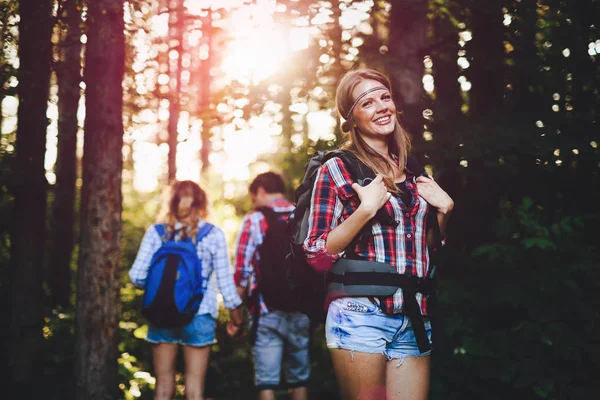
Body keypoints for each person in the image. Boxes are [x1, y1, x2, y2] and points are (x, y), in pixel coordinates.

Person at [303, 68, 454, 400]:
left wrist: (444, 213)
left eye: (385, 97)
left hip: (414, 314)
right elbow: (315, 252)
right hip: (360, 314)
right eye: (367, 102)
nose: (381, 107)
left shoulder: (413, 170)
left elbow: (428, 252)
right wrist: (365, 210)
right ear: (352, 119)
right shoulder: (337, 168)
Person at [129, 180, 244, 400]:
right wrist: (237, 320)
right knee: (194, 389)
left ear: (171, 202)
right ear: (201, 203)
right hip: (200, 315)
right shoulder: (213, 235)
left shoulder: (156, 233)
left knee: (163, 387)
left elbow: (136, 276)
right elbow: (227, 288)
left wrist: (162, 288)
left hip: (161, 313)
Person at [231, 172, 311, 400]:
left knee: (267, 381)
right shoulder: (303, 214)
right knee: (300, 378)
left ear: (260, 192)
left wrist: (235, 317)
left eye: (253, 198)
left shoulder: (255, 219)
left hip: (265, 310)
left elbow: (240, 274)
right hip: (301, 309)